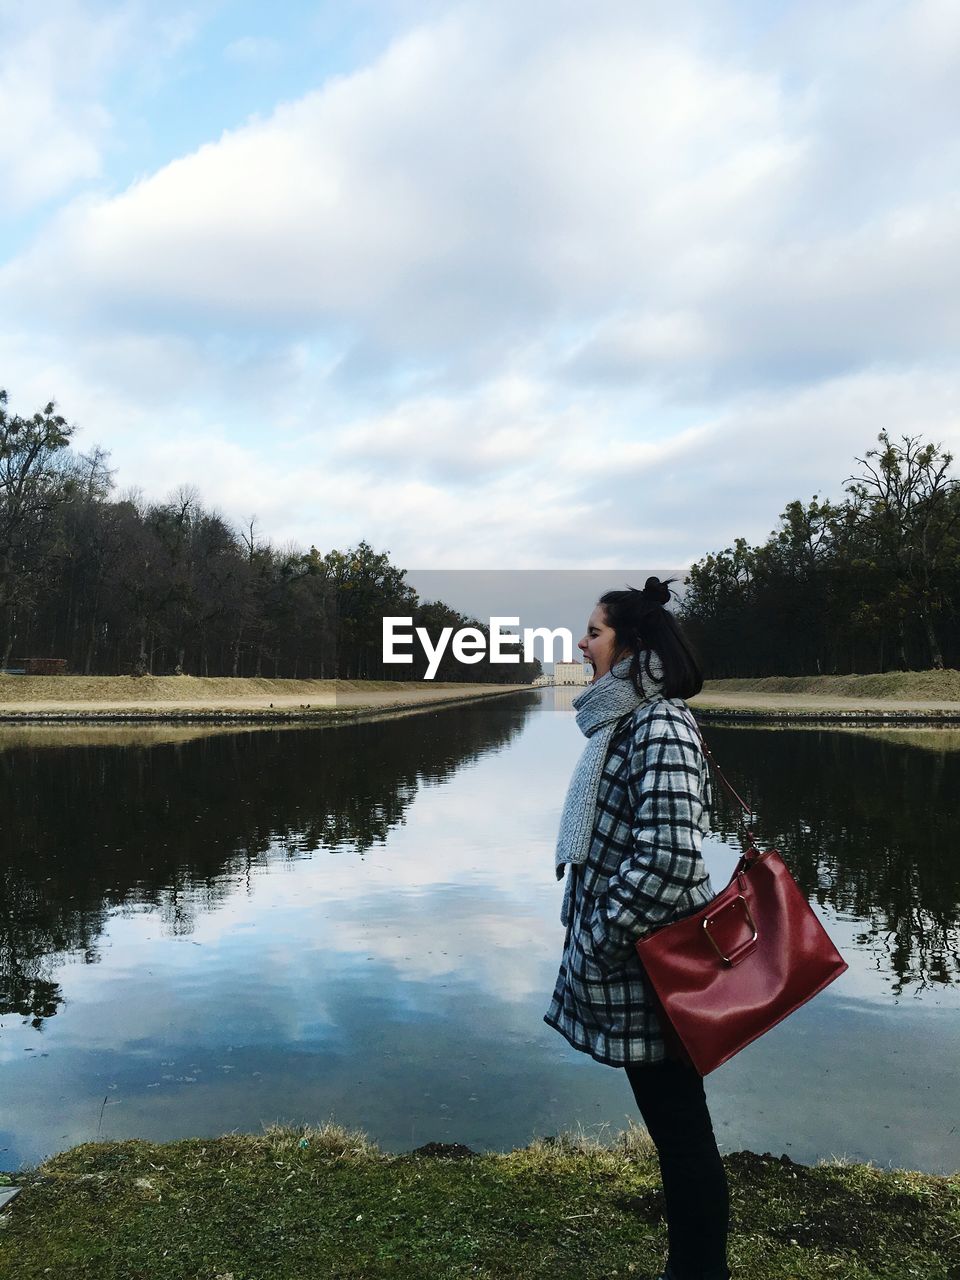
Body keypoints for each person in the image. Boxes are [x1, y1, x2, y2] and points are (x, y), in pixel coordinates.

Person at [544, 577, 731, 1280]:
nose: (581, 643)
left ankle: (697, 1271)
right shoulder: (623, 720)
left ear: (631, 648)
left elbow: (671, 856)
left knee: (683, 1136)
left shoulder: (661, 725)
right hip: (639, 966)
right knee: (676, 1131)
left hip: (656, 970)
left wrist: (598, 939)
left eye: (593, 632)